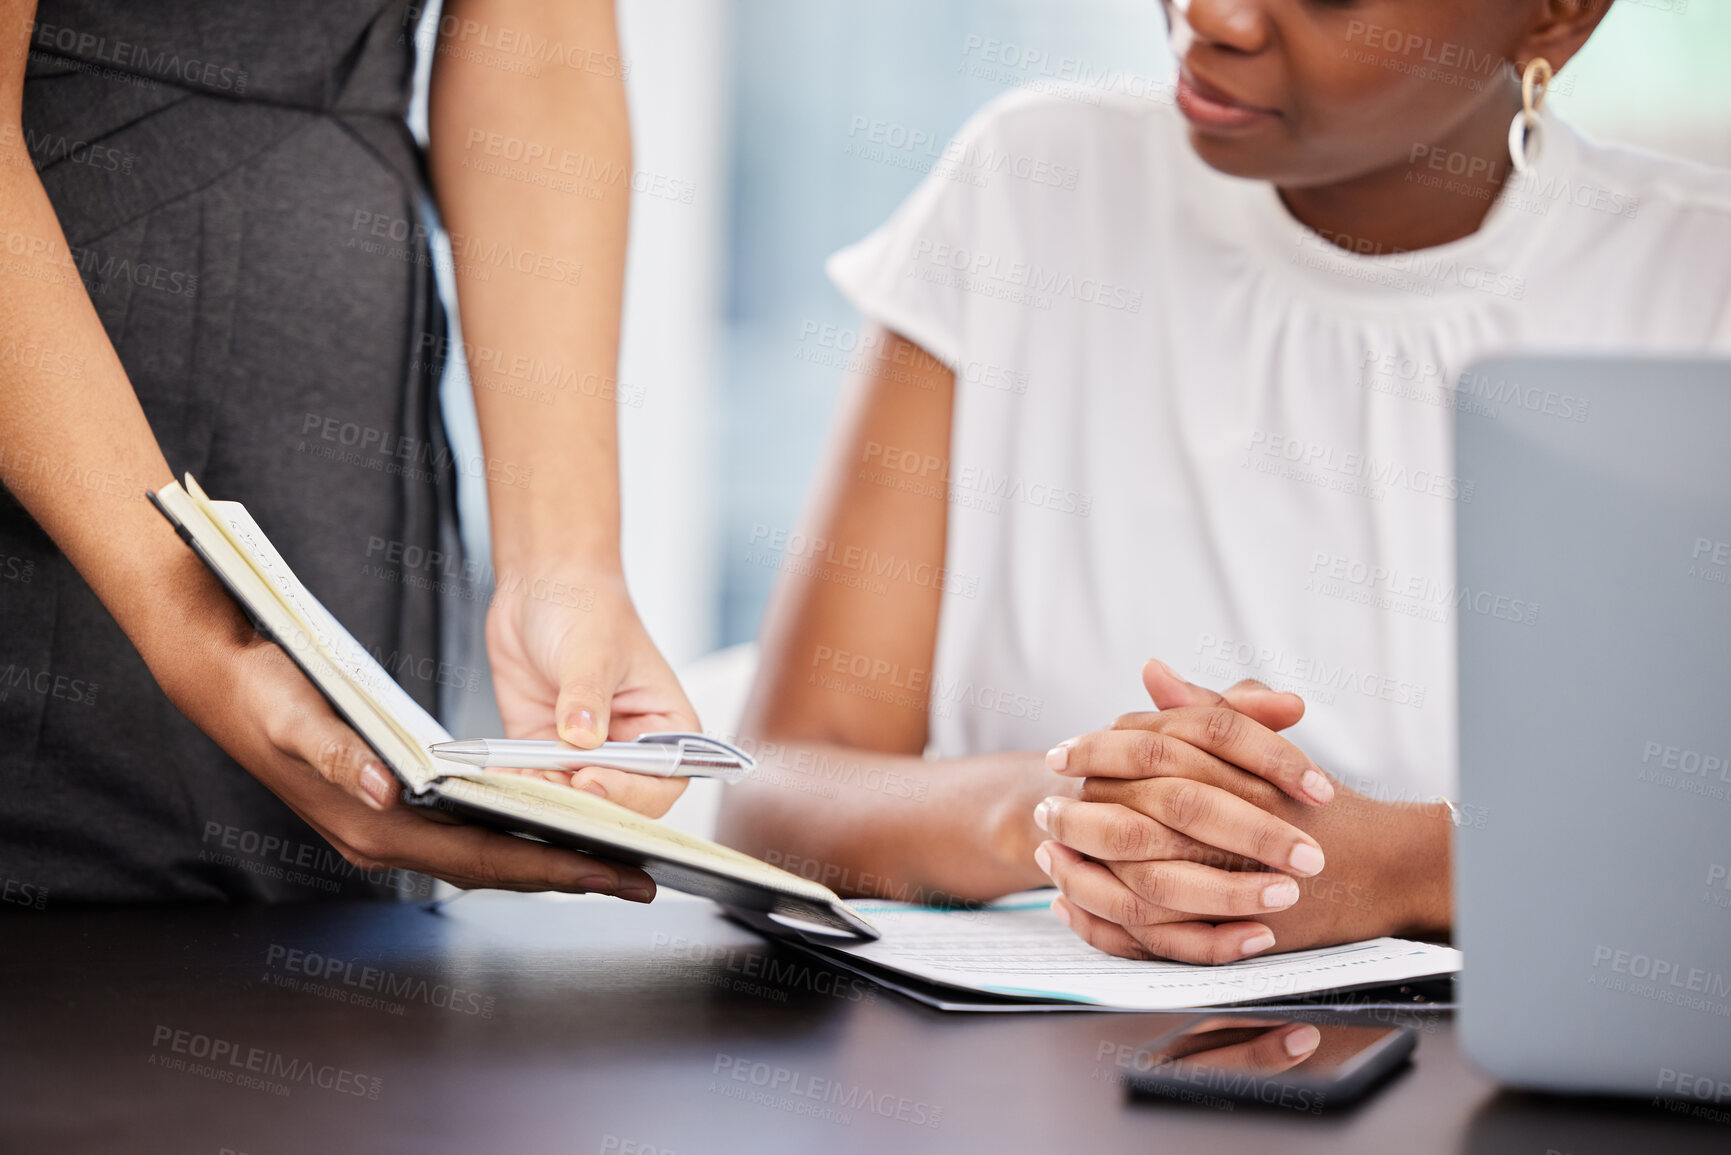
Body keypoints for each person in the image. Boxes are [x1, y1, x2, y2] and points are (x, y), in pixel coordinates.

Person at [718, 0, 1731, 962]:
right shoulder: (1030, 188)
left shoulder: (1697, 285)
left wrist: (1414, 867)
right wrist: (1071, 813)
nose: (1212, 16)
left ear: (1559, 14)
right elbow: (774, 792)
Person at [0, 0, 694, 903]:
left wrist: (565, 565)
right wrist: (200, 629)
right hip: (62, 440)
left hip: (345, 473)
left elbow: (538, 56)